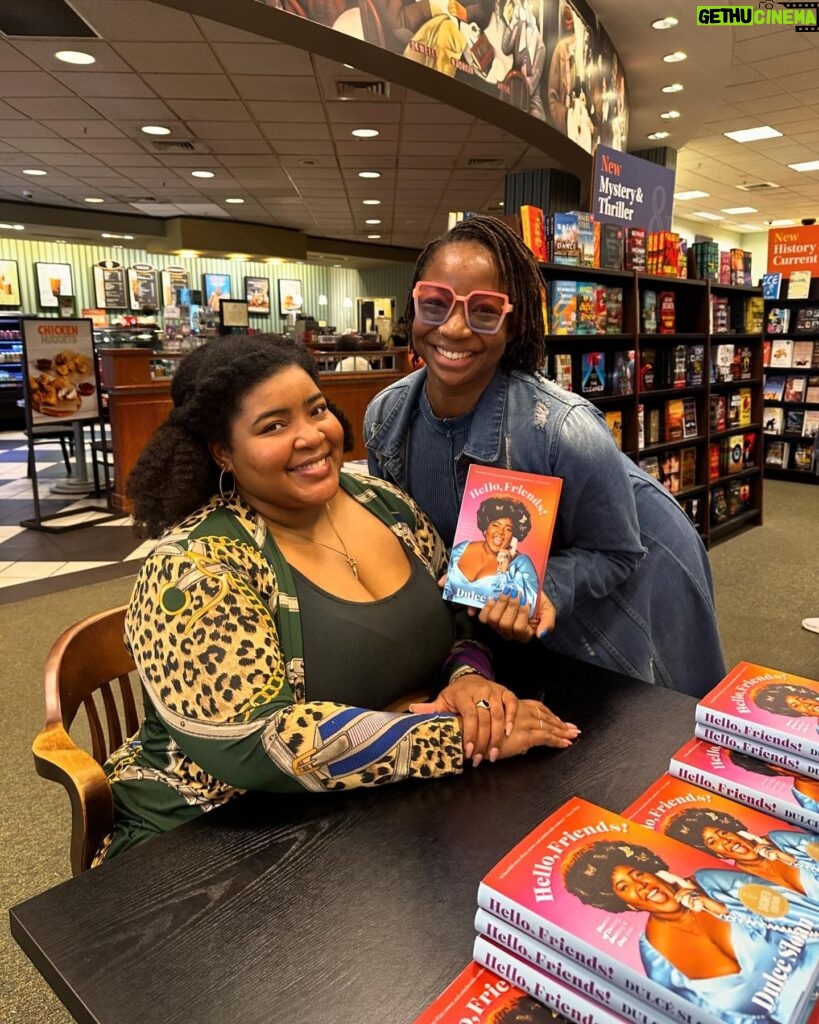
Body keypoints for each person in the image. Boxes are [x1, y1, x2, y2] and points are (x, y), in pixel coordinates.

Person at [93, 334, 577, 864]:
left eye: (316, 409)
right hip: (209, 840)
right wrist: (450, 739)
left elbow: (459, 617)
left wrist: (468, 680)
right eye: (273, 425)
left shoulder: (384, 503)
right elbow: (261, 743)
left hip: (373, 816)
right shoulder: (193, 568)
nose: (312, 436)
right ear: (222, 452)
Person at [363, 214, 726, 698]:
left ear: (514, 324)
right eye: (435, 304)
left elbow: (618, 550)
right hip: (499, 623)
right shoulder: (385, 420)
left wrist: (545, 585)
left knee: (656, 717)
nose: (453, 328)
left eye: (484, 311)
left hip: (634, 556)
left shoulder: (565, 429)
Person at [563, 839, 819, 1023]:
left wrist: (718, 907)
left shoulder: (713, 884)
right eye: (623, 886)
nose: (639, 884)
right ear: (625, 904)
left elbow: (804, 912)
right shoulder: (659, 964)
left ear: (658, 873)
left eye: (637, 873)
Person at [663, 805, 819, 898]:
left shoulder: (780, 839)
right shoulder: (737, 886)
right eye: (712, 842)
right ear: (715, 854)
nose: (726, 841)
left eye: (723, 833)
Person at [447, 496, 540, 610]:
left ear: (513, 536)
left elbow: (530, 609)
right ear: (486, 527)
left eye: (508, 529)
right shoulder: (462, 548)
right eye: (496, 525)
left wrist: (503, 570)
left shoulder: (521, 564)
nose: (500, 532)